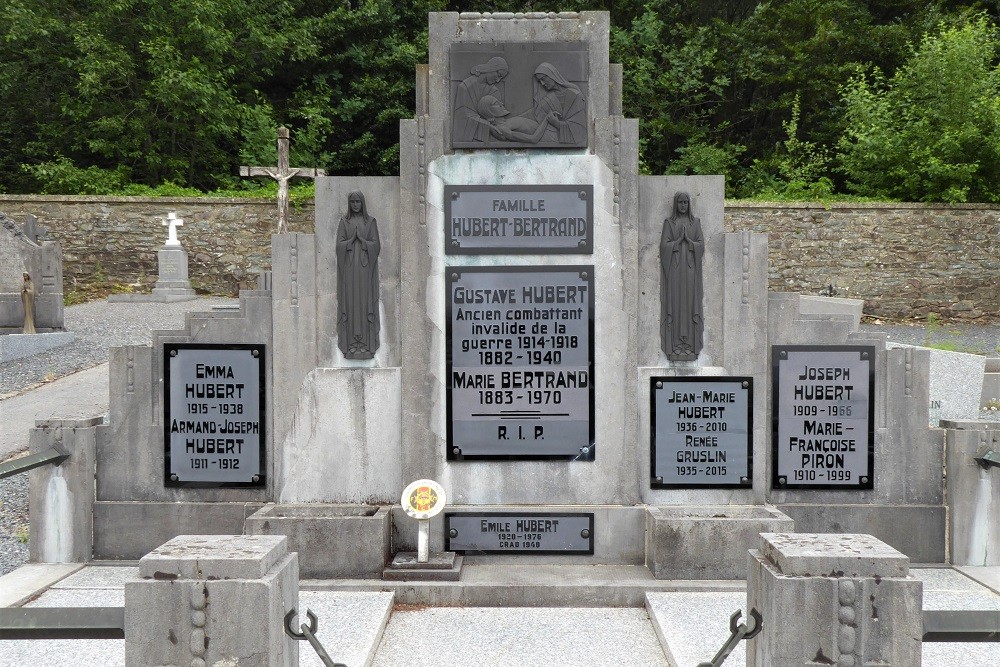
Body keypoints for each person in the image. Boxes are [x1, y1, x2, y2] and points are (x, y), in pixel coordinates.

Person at [660, 192, 704, 361]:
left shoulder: (696, 223)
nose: (683, 205)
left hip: (691, 272)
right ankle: (674, 345)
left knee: (690, 305)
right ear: (675, 204)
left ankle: (690, 345)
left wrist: (690, 242)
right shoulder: (669, 223)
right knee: (675, 305)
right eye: (680, 202)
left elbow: (701, 245)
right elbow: (664, 247)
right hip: (674, 273)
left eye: (686, 202)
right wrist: (678, 241)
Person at [336, 191, 380, 359]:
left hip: (365, 272)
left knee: (365, 304)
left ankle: (367, 344)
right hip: (348, 273)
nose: (355, 205)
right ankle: (350, 344)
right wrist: (349, 241)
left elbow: (376, 246)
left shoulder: (370, 222)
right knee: (350, 305)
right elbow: (338, 246)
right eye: (352, 202)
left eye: (358, 201)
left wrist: (362, 241)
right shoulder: (344, 223)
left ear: (362, 203)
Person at [453, 57, 509, 143]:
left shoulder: (494, 91)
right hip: (468, 136)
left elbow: (498, 117)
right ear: (491, 68)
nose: (498, 80)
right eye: (498, 75)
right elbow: (462, 115)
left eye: (501, 78)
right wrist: (488, 127)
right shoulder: (465, 87)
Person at [528, 62, 587, 144]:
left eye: (543, 79)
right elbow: (534, 113)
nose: (542, 83)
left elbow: (580, 128)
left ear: (552, 75)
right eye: (539, 81)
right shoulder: (549, 99)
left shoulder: (574, 95)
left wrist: (557, 124)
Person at [474, 95, 558, 143]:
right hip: (551, 137)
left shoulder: (505, 123)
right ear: (489, 111)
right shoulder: (502, 129)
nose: (501, 103)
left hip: (552, 131)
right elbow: (533, 139)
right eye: (496, 103)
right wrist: (547, 119)